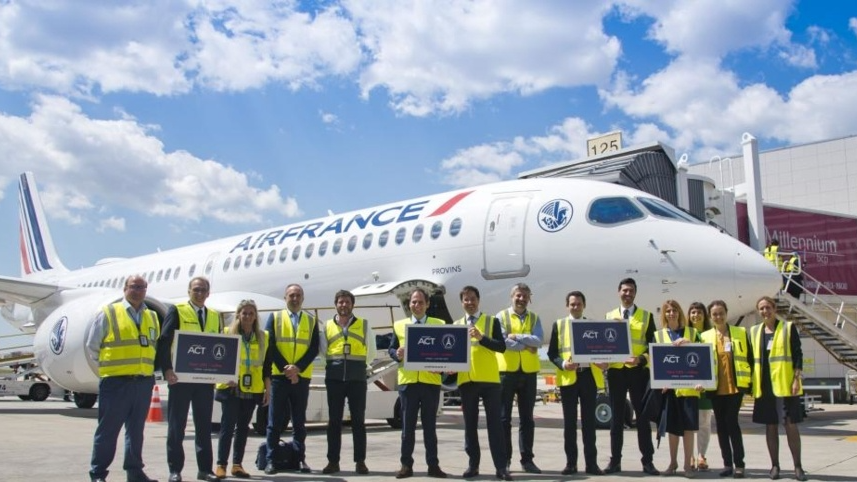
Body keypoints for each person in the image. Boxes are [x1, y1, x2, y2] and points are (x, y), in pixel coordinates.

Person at [86, 275, 160, 482]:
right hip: (116, 382)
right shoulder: (109, 313)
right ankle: (98, 473)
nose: (137, 290)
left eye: (141, 287)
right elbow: (92, 347)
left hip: (143, 382)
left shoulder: (152, 317)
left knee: (136, 432)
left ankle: (134, 471)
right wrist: (107, 371)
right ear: (125, 289)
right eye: (133, 287)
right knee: (108, 431)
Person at [157, 277, 221, 482]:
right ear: (189, 291)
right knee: (177, 427)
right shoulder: (177, 310)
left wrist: (222, 375)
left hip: (204, 380)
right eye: (196, 290)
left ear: (209, 293)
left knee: (204, 427)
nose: (200, 293)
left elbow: (220, 345)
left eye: (203, 290)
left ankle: (205, 470)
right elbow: (165, 341)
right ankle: (175, 470)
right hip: (181, 379)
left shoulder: (214, 315)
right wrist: (167, 369)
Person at [388, 288, 448, 479]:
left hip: (430, 382)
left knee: (430, 428)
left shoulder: (439, 324)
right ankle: (406, 465)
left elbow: (446, 351)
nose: (417, 305)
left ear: (428, 304)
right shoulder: (399, 325)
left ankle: (433, 465)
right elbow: (391, 349)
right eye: (413, 302)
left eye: (420, 302)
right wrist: (396, 354)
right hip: (408, 383)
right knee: (407, 428)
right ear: (409, 304)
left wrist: (445, 367)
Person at [454, 286, 512, 481]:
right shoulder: (457, 325)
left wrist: (481, 337)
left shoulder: (491, 321)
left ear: (478, 301)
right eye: (465, 300)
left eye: (472, 299)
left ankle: (501, 467)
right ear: (461, 303)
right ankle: (473, 465)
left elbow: (501, 347)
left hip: (489, 381)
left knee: (495, 426)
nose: (469, 303)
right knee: (470, 427)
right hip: (467, 381)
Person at [546, 291, 606, 477]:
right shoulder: (559, 325)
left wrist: (601, 361)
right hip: (568, 378)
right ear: (567, 306)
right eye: (572, 304)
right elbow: (552, 353)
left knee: (589, 424)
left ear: (584, 305)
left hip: (588, 377)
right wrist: (564, 364)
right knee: (570, 424)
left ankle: (592, 464)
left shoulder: (592, 326)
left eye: (579, 304)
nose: (576, 307)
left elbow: (600, 351)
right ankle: (571, 464)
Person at [604, 278, 659, 476]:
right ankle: (615, 461)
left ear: (635, 293)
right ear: (618, 292)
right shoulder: (609, 316)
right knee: (616, 419)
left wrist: (641, 359)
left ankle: (648, 461)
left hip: (637, 372)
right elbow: (604, 344)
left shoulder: (646, 316)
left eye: (631, 291)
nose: (628, 294)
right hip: (616, 372)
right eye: (625, 290)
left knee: (642, 419)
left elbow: (652, 346)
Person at [750, 296, 807, 481]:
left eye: (767, 308)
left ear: (774, 309)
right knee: (771, 426)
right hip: (765, 386)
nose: (765, 312)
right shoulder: (755, 331)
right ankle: (774, 466)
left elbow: (798, 355)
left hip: (785, 384)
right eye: (761, 309)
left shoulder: (788, 328)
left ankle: (798, 467)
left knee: (790, 425)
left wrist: (797, 378)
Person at [264, 283, 319, 475]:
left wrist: (298, 369)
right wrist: (286, 369)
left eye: (298, 295)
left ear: (302, 298)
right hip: (280, 377)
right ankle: (270, 459)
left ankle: (299, 459)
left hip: (301, 378)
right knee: (274, 421)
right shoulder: (275, 317)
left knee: (299, 422)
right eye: (291, 295)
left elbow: (314, 348)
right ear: (285, 298)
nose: (294, 299)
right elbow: (269, 345)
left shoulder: (311, 321)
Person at [214, 299, 271, 479]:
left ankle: (237, 465)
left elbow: (267, 366)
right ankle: (221, 464)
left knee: (243, 428)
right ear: (238, 315)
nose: (247, 317)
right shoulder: (227, 333)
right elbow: (217, 362)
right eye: (244, 313)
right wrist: (224, 378)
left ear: (255, 317)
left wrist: (267, 389)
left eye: (251, 314)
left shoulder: (263, 337)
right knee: (227, 427)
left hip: (252, 389)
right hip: (232, 389)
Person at [320, 290, 375, 476]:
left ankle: (360, 462)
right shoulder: (326, 326)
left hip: (357, 380)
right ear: (335, 304)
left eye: (347, 302)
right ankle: (332, 462)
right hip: (335, 380)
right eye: (340, 302)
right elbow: (323, 351)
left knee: (358, 421)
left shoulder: (364, 325)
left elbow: (372, 352)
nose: (344, 305)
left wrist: (357, 367)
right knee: (334, 422)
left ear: (353, 305)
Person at [496, 283, 544, 474]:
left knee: (527, 419)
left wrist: (516, 336)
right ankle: (505, 460)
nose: (522, 299)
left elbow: (539, 340)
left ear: (529, 298)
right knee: (503, 419)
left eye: (525, 296)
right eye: (518, 295)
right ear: (512, 296)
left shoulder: (534, 317)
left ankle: (527, 460)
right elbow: (503, 341)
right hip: (506, 373)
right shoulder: (501, 316)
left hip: (529, 373)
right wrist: (526, 344)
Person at [701, 300, 751, 478]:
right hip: (716, 389)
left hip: (735, 388)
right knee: (721, 427)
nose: (718, 316)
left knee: (732, 423)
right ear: (710, 316)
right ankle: (727, 464)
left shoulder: (739, 332)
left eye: (721, 313)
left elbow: (749, 357)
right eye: (714, 314)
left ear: (726, 313)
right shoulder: (705, 336)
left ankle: (740, 464)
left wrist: (749, 384)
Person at [655, 300, 704, 478]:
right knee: (673, 429)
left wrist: (689, 342)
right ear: (664, 315)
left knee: (688, 429)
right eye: (668, 311)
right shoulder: (659, 335)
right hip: (670, 391)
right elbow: (656, 363)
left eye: (674, 310)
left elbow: (703, 357)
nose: (671, 313)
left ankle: (687, 465)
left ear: (679, 312)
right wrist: (661, 382)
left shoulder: (692, 333)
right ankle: (673, 462)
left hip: (689, 390)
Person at [687, 302, 713, 472]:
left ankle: (702, 455)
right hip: (688, 385)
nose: (696, 315)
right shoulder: (685, 334)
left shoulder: (710, 335)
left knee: (704, 422)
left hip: (705, 386)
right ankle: (690, 456)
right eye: (693, 312)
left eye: (699, 312)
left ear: (705, 315)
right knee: (688, 423)